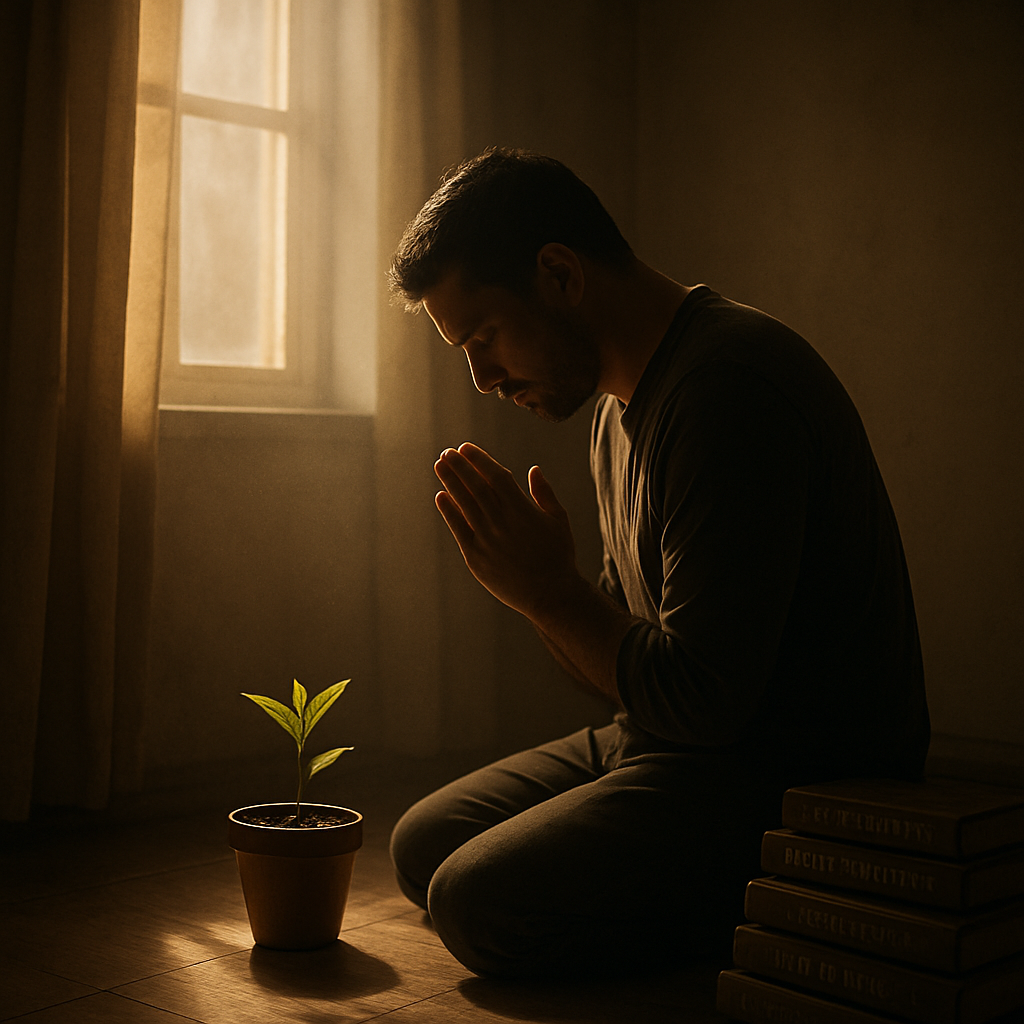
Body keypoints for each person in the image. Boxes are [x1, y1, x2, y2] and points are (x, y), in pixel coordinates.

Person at [386, 148, 930, 979]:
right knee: (422, 844)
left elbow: (707, 700)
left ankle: (788, 926)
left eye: (486, 337)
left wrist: (548, 590)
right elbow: (625, 671)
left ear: (560, 274)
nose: (484, 378)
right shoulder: (613, 410)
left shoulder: (728, 388)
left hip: (785, 767)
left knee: (475, 901)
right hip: (670, 740)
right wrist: (539, 596)